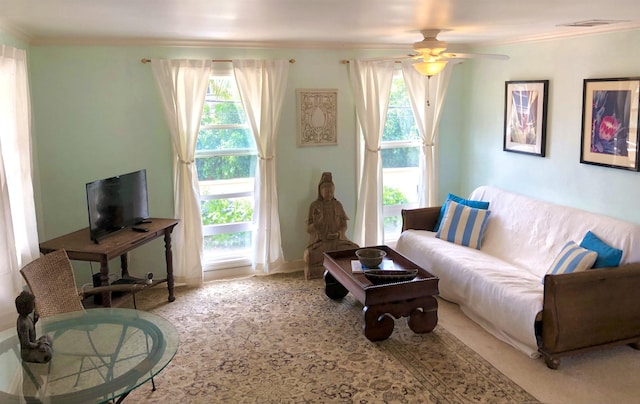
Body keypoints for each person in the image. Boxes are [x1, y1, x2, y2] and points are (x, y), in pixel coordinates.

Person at [304, 172, 358, 277]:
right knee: (309, 255)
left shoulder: (337, 204)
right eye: (327, 191)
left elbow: (344, 225)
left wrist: (338, 234)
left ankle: (343, 268)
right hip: (321, 243)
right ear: (320, 191)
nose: (329, 194)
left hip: (338, 241)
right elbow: (308, 229)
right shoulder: (315, 206)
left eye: (331, 191)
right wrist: (316, 224)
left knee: (355, 249)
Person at [15, 290, 53, 363]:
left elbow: (30, 330)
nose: (34, 306)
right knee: (47, 354)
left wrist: (34, 321)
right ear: (27, 307)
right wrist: (38, 345)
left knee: (48, 337)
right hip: (28, 352)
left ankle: (45, 346)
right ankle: (45, 347)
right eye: (32, 304)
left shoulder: (27, 318)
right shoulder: (23, 323)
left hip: (34, 343)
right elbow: (26, 344)